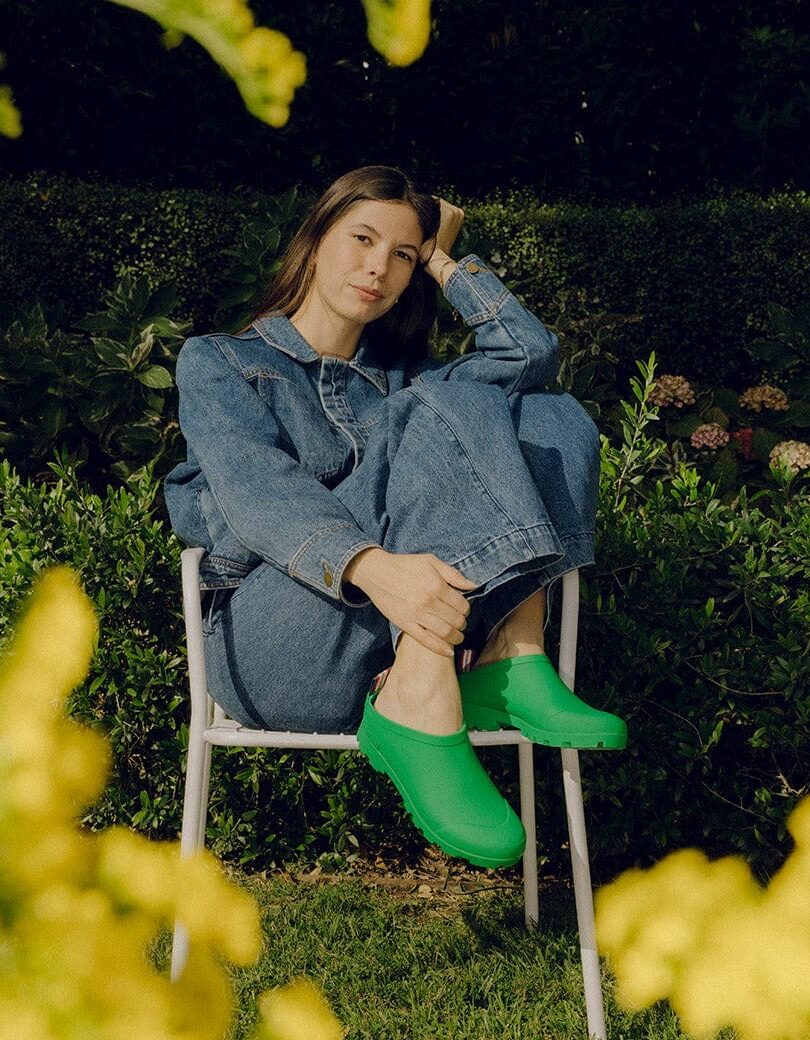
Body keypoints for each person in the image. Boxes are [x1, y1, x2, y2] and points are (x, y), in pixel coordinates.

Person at [164, 165, 627, 871]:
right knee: (446, 405)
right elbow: (256, 491)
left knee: (547, 411)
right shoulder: (223, 363)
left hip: (384, 648)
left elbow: (528, 353)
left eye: (403, 255)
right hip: (276, 651)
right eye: (362, 238)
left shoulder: (406, 380)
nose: (378, 267)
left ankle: (512, 651)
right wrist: (377, 572)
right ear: (316, 240)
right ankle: (424, 690)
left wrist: (444, 254)